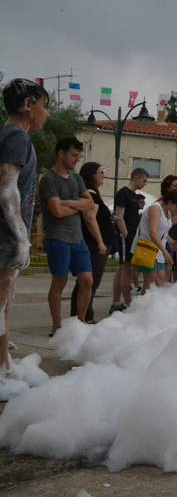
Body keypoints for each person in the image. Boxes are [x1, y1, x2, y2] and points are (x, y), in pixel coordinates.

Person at [0, 79, 49, 379]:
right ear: (28, 105)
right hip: (4, 236)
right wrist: (23, 240)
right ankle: (2, 370)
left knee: (6, 301)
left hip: (6, 235)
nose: (47, 114)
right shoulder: (17, 137)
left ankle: (4, 360)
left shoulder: (8, 135)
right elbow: (8, 191)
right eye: (44, 106)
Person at [38, 137, 104, 336]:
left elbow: (90, 203)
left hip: (77, 238)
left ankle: (80, 323)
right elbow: (56, 212)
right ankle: (56, 326)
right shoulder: (49, 179)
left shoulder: (75, 178)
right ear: (61, 154)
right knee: (60, 280)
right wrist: (77, 205)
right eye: (74, 155)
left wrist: (69, 203)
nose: (77, 160)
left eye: (78, 156)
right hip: (57, 236)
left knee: (87, 280)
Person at [69, 162, 115, 323]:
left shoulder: (94, 194)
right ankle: (83, 316)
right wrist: (100, 242)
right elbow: (89, 218)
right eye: (100, 172)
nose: (103, 175)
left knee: (90, 280)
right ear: (91, 175)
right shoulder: (90, 195)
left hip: (99, 242)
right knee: (89, 281)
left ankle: (82, 315)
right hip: (94, 243)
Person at [131, 189, 177, 292]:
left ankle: (154, 304)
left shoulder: (168, 212)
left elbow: (166, 226)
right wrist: (165, 251)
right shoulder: (156, 209)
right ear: (170, 202)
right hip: (148, 248)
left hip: (158, 248)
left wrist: (170, 241)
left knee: (161, 280)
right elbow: (152, 232)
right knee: (150, 280)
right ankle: (144, 305)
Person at [111, 168, 149, 312]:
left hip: (133, 235)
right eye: (144, 181)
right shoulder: (123, 193)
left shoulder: (134, 195)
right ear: (137, 178)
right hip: (127, 236)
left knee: (123, 269)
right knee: (127, 270)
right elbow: (119, 216)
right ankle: (127, 303)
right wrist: (126, 235)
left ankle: (116, 302)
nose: (145, 184)